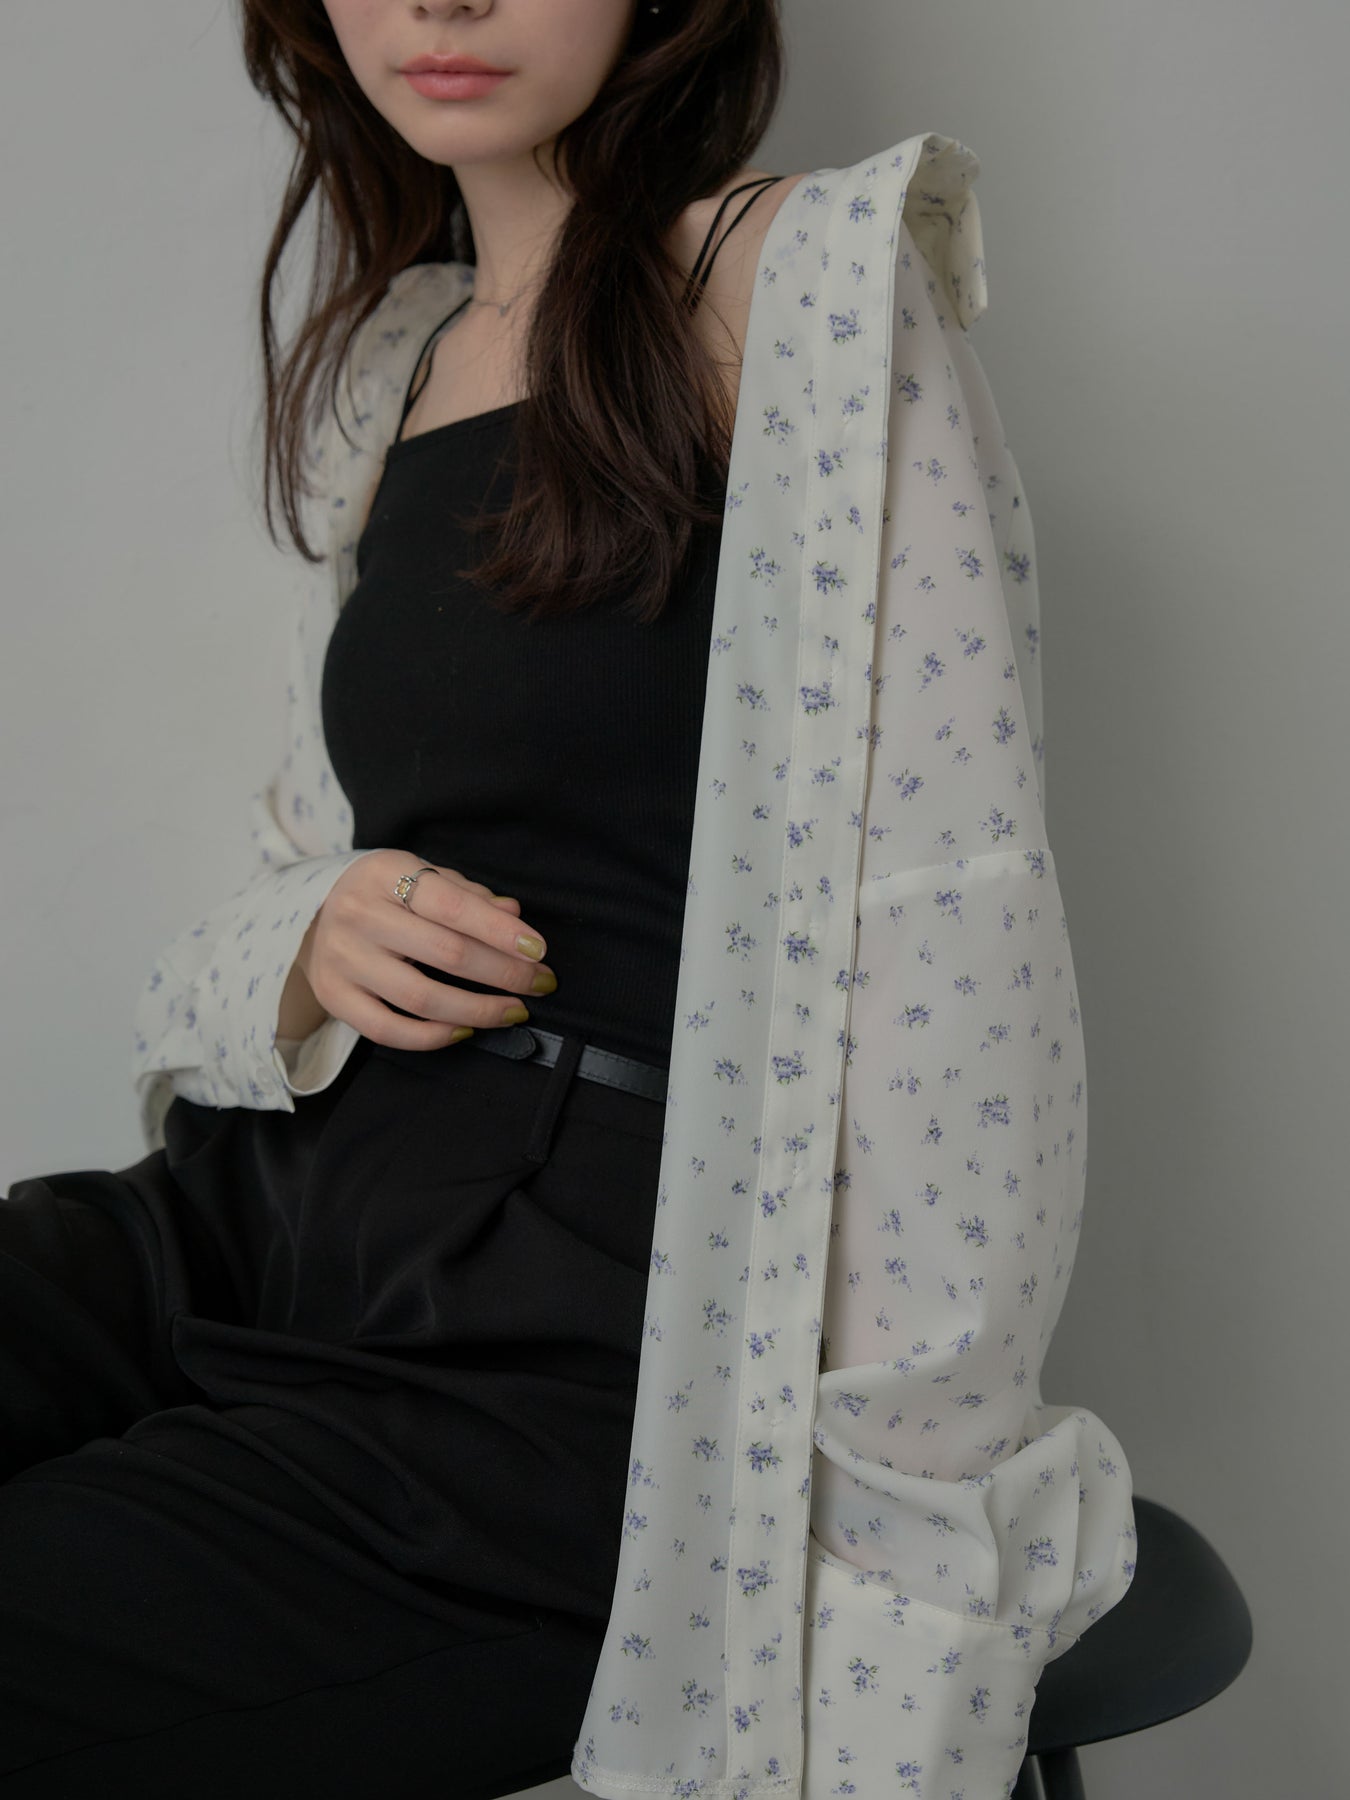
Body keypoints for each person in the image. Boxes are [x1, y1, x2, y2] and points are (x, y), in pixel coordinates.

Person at [0, 2, 1137, 1796]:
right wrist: (312, 932)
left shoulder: (803, 275)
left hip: (571, 1336)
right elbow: (298, 850)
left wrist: (894, 1542)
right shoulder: (400, 353)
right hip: (265, 1208)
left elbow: (955, 932)